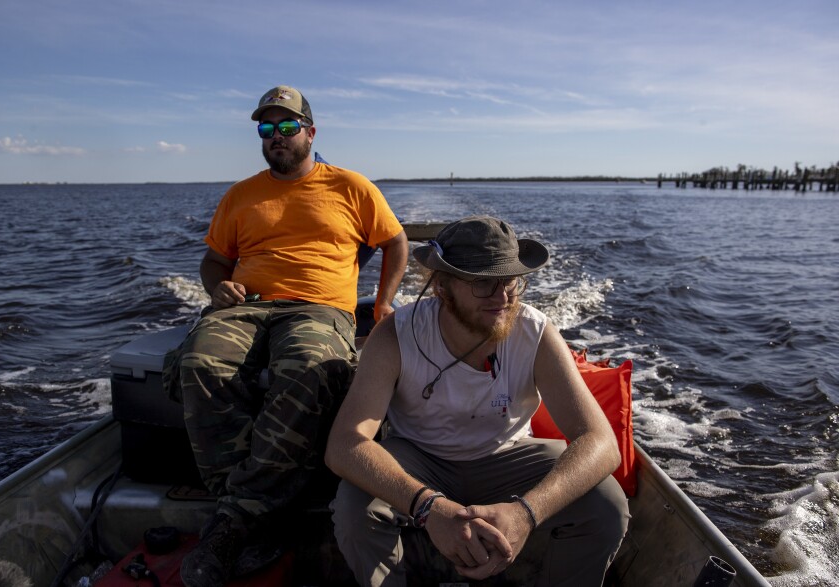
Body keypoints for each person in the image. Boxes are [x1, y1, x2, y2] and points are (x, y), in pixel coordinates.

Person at [166, 85, 408, 587]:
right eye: (266, 128)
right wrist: (220, 286)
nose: (276, 136)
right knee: (198, 364)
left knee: (305, 369)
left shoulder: (350, 186)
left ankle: (232, 522)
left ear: (310, 132)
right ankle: (247, 508)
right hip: (247, 308)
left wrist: (382, 303)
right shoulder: (241, 194)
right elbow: (214, 260)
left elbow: (395, 242)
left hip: (319, 309)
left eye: (286, 126)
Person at [326, 216, 629, 586]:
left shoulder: (534, 332)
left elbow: (601, 442)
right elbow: (344, 444)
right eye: (484, 283)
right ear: (442, 286)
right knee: (355, 509)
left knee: (606, 506)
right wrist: (429, 507)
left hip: (507, 457)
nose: (502, 297)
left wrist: (526, 514)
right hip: (419, 457)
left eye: (510, 281)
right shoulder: (395, 336)